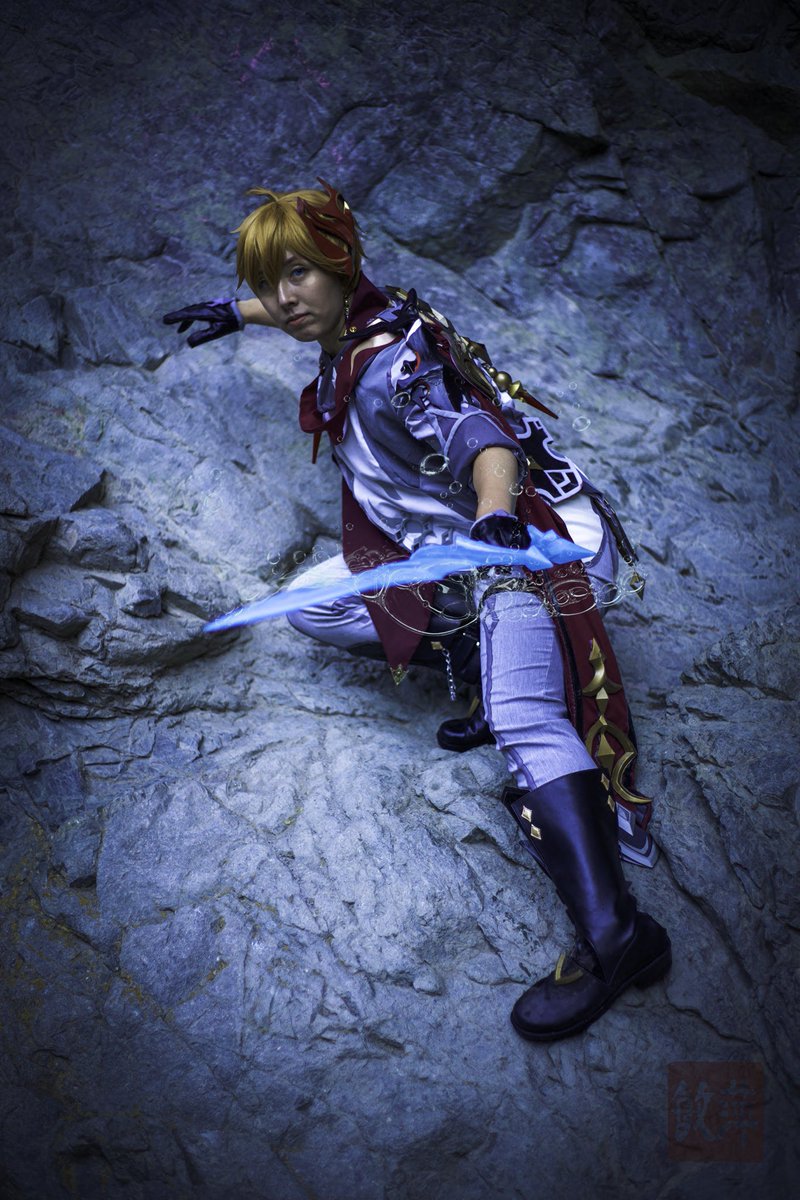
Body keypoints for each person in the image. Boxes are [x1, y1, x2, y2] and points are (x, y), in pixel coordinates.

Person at [164, 180, 671, 1041]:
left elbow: (484, 439)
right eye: (268, 281)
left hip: (524, 539)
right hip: (452, 541)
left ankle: (621, 938)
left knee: (523, 719)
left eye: (297, 274)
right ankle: (470, 654)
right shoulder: (356, 321)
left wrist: (496, 522)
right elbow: (302, 304)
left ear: (340, 265)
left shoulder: (395, 360)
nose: (286, 297)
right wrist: (236, 310)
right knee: (314, 607)